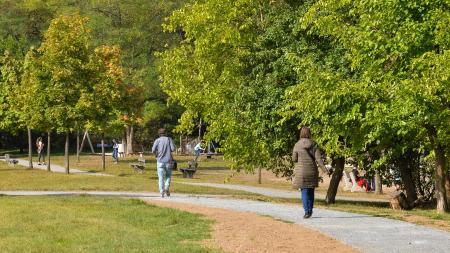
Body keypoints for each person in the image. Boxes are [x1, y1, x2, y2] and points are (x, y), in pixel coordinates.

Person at [292, 127, 330, 219]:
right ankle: (310, 210)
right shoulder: (314, 144)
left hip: (302, 172)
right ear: (309, 133)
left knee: (304, 191)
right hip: (312, 171)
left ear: (301, 133)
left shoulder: (297, 144)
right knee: (311, 191)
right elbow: (319, 159)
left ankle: (306, 212)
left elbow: (294, 159)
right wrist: (325, 170)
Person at [151, 128, 176, 198]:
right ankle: (167, 187)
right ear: (165, 133)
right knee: (168, 176)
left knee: (161, 177)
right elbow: (173, 149)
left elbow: (153, 150)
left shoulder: (157, 140)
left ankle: (162, 191)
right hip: (168, 161)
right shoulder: (169, 139)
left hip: (160, 161)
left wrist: (156, 155)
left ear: (159, 134)